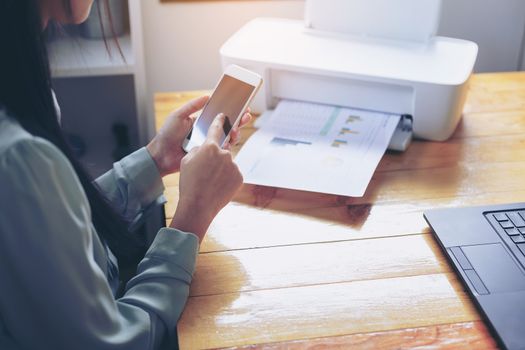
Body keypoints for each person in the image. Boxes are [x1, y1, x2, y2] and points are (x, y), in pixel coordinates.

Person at [0, 0, 250, 349]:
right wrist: (193, 214)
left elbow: (54, 224)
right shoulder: (19, 157)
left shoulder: (16, 92)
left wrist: (155, 160)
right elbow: (114, 342)